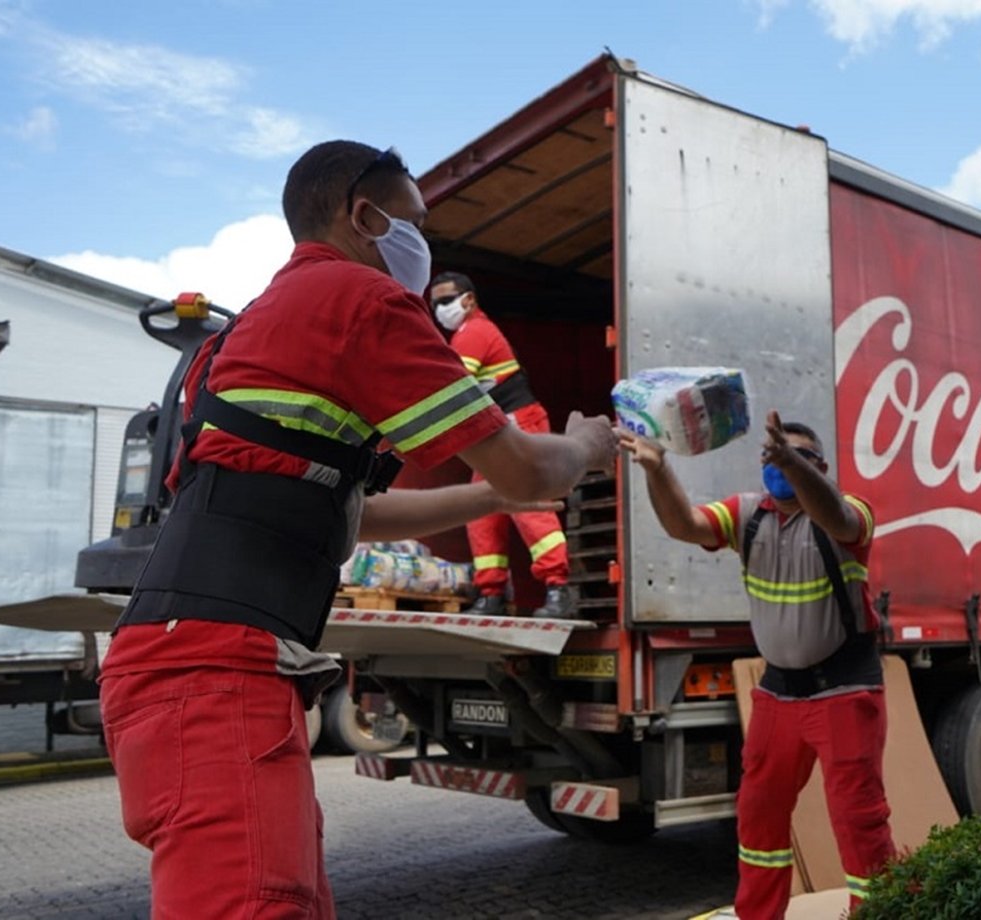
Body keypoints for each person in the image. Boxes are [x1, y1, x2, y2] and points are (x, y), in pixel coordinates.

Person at [98, 140, 616, 919]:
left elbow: (356, 514)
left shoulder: (261, 327)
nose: (422, 245)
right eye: (414, 220)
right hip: (215, 676)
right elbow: (527, 468)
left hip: (193, 663)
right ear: (364, 215)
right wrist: (583, 448)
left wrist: (489, 501)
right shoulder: (360, 301)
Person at [618, 410, 895, 919]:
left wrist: (795, 466)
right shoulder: (748, 515)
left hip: (844, 691)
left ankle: (878, 914)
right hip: (778, 694)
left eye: (797, 457)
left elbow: (835, 515)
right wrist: (657, 469)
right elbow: (684, 525)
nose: (780, 466)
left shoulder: (850, 514)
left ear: (822, 467)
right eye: (773, 455)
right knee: (758, 818)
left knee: (859, 819)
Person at [427, 271, 577, 619]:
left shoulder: (474, 333)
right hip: (499, 433)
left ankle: (559, 590)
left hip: (520, 424)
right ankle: (491, 593)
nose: (440, 309)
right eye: (435, 304)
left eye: (447, 301)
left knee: (529, 506)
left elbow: (449, 390)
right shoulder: (465, 335)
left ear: (469, 299)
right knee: (482, 512)